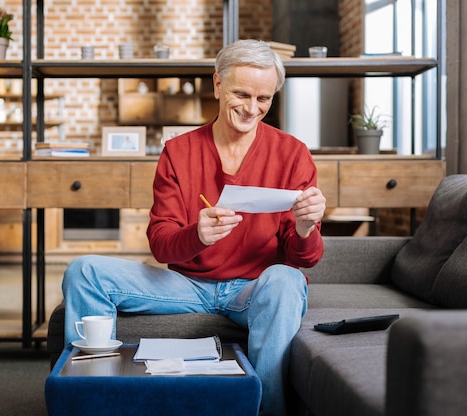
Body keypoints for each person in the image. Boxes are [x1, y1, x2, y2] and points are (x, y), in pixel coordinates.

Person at [62, 39, 326, 416]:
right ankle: (86, 401)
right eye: (241, 94)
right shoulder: (179, 151)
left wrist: (305, 227)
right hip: (185, 285)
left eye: (264, 99)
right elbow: (161, 243)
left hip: (252, 289)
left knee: (286, 280)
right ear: (217, 85)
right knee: (84, 271)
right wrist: (197, 235)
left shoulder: (292, 153)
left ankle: (268, 410)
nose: (252, 109)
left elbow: (307, 259)